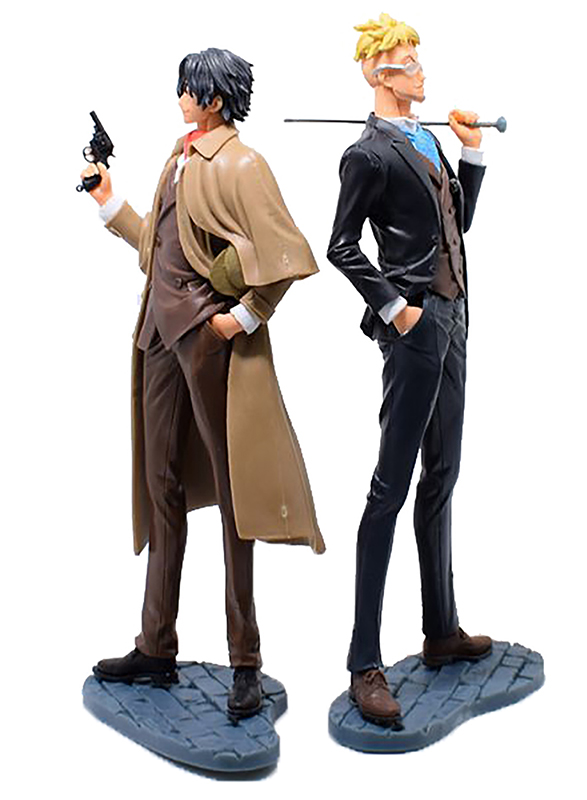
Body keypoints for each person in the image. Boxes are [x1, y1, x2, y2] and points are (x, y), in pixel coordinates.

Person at [80, 47, 324, 720]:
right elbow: (159, 251)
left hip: (206, 340)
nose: (180, 97)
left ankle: (246, 661)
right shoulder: (178, 156)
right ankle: (155, 644)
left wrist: (239, 319)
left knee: (235, 493)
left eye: (188, 89)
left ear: (213, 98)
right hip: (158, 337)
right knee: (161, 484)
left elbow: (285, 254)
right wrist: (108, 202)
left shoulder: (242, 164)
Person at [327, 14, 492, 726]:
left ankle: (440, 628)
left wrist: (472, 154)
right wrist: (397, 310)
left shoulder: (427, 141)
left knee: (444, 471)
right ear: (378, 74)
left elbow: (457, 226)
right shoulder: (367, 155)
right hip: (415, 329)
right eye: (407, 61)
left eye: (419, 59)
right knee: (389, 488)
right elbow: (340, 245)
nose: (421, 71)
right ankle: (364, 660)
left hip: (454, 320)